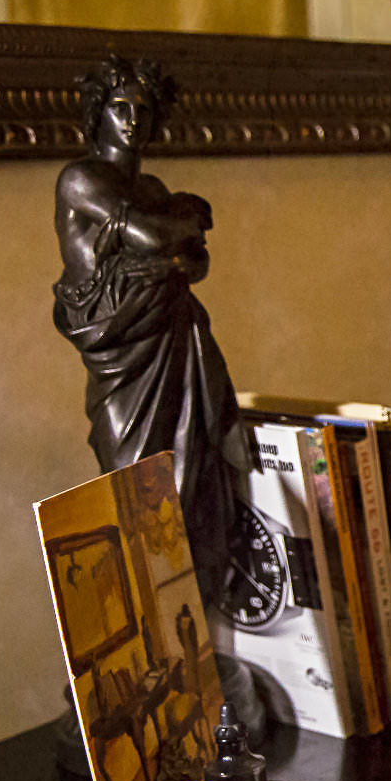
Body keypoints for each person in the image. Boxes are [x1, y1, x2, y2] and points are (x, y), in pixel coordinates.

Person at [53, 56, 245, 603]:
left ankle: (195, 636)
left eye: (143, 109)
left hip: (174, 343)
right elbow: (155, 239)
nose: (132, 119)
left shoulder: (155, 185)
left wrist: (174, 246)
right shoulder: (81, 178)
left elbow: (196, 264)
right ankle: (146, 650)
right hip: (121, 356)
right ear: (98, 114)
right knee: (138, 495)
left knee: (197, 489)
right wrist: (182, 231)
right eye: (120, 108)